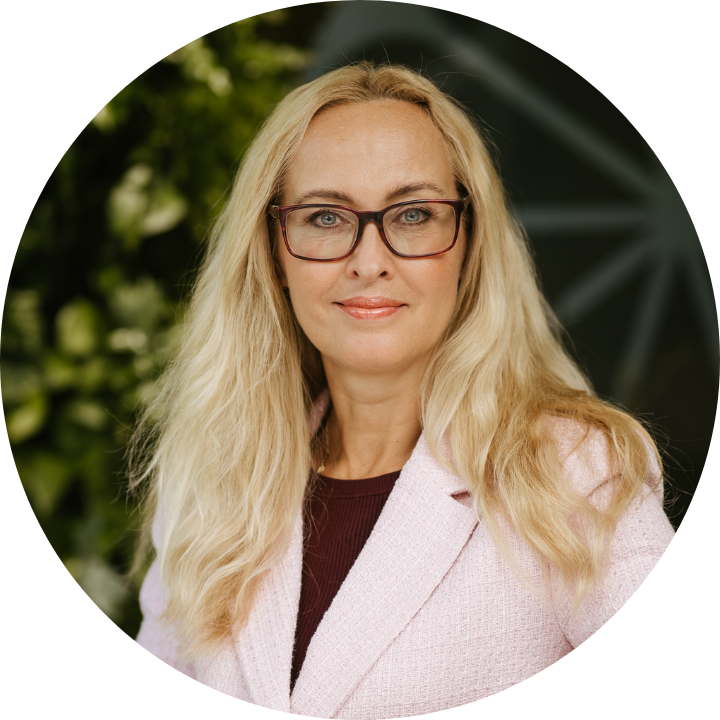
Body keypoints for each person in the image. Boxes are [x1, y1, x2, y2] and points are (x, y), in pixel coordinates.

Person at [132, 63, 674, 718]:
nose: (369, 261)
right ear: (273, 252)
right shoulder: (210, 486)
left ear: (469, 246)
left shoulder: (572, 470)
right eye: (325, 216)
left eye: (414, 214)